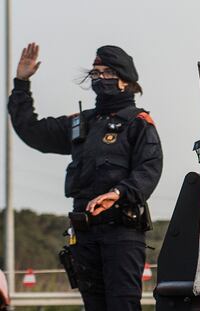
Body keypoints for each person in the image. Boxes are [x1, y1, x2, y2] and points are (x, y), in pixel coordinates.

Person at [8, 42, 163, 311]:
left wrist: (117, 193)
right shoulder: (82, 122)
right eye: (95, 73)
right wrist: (22, 83)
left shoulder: (138, 122)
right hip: (84, 234)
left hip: (121, 232)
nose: (99, 78)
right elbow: (32, 131)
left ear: (124, 81)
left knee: (123, 306)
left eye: (106, 73)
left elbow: (149, 168)